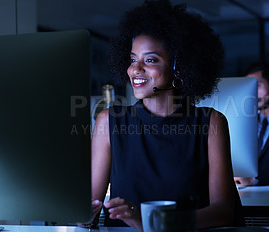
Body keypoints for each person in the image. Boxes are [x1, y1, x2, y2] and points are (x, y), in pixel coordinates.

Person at [86, 0, 241, 231]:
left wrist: (154, 223)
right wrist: (81, 215)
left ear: (180, 67)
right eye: (132, 59)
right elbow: (90, 207)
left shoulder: (210, 122)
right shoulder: (109, 121)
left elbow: (224, 211)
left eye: (150, 60)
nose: (135, 69)